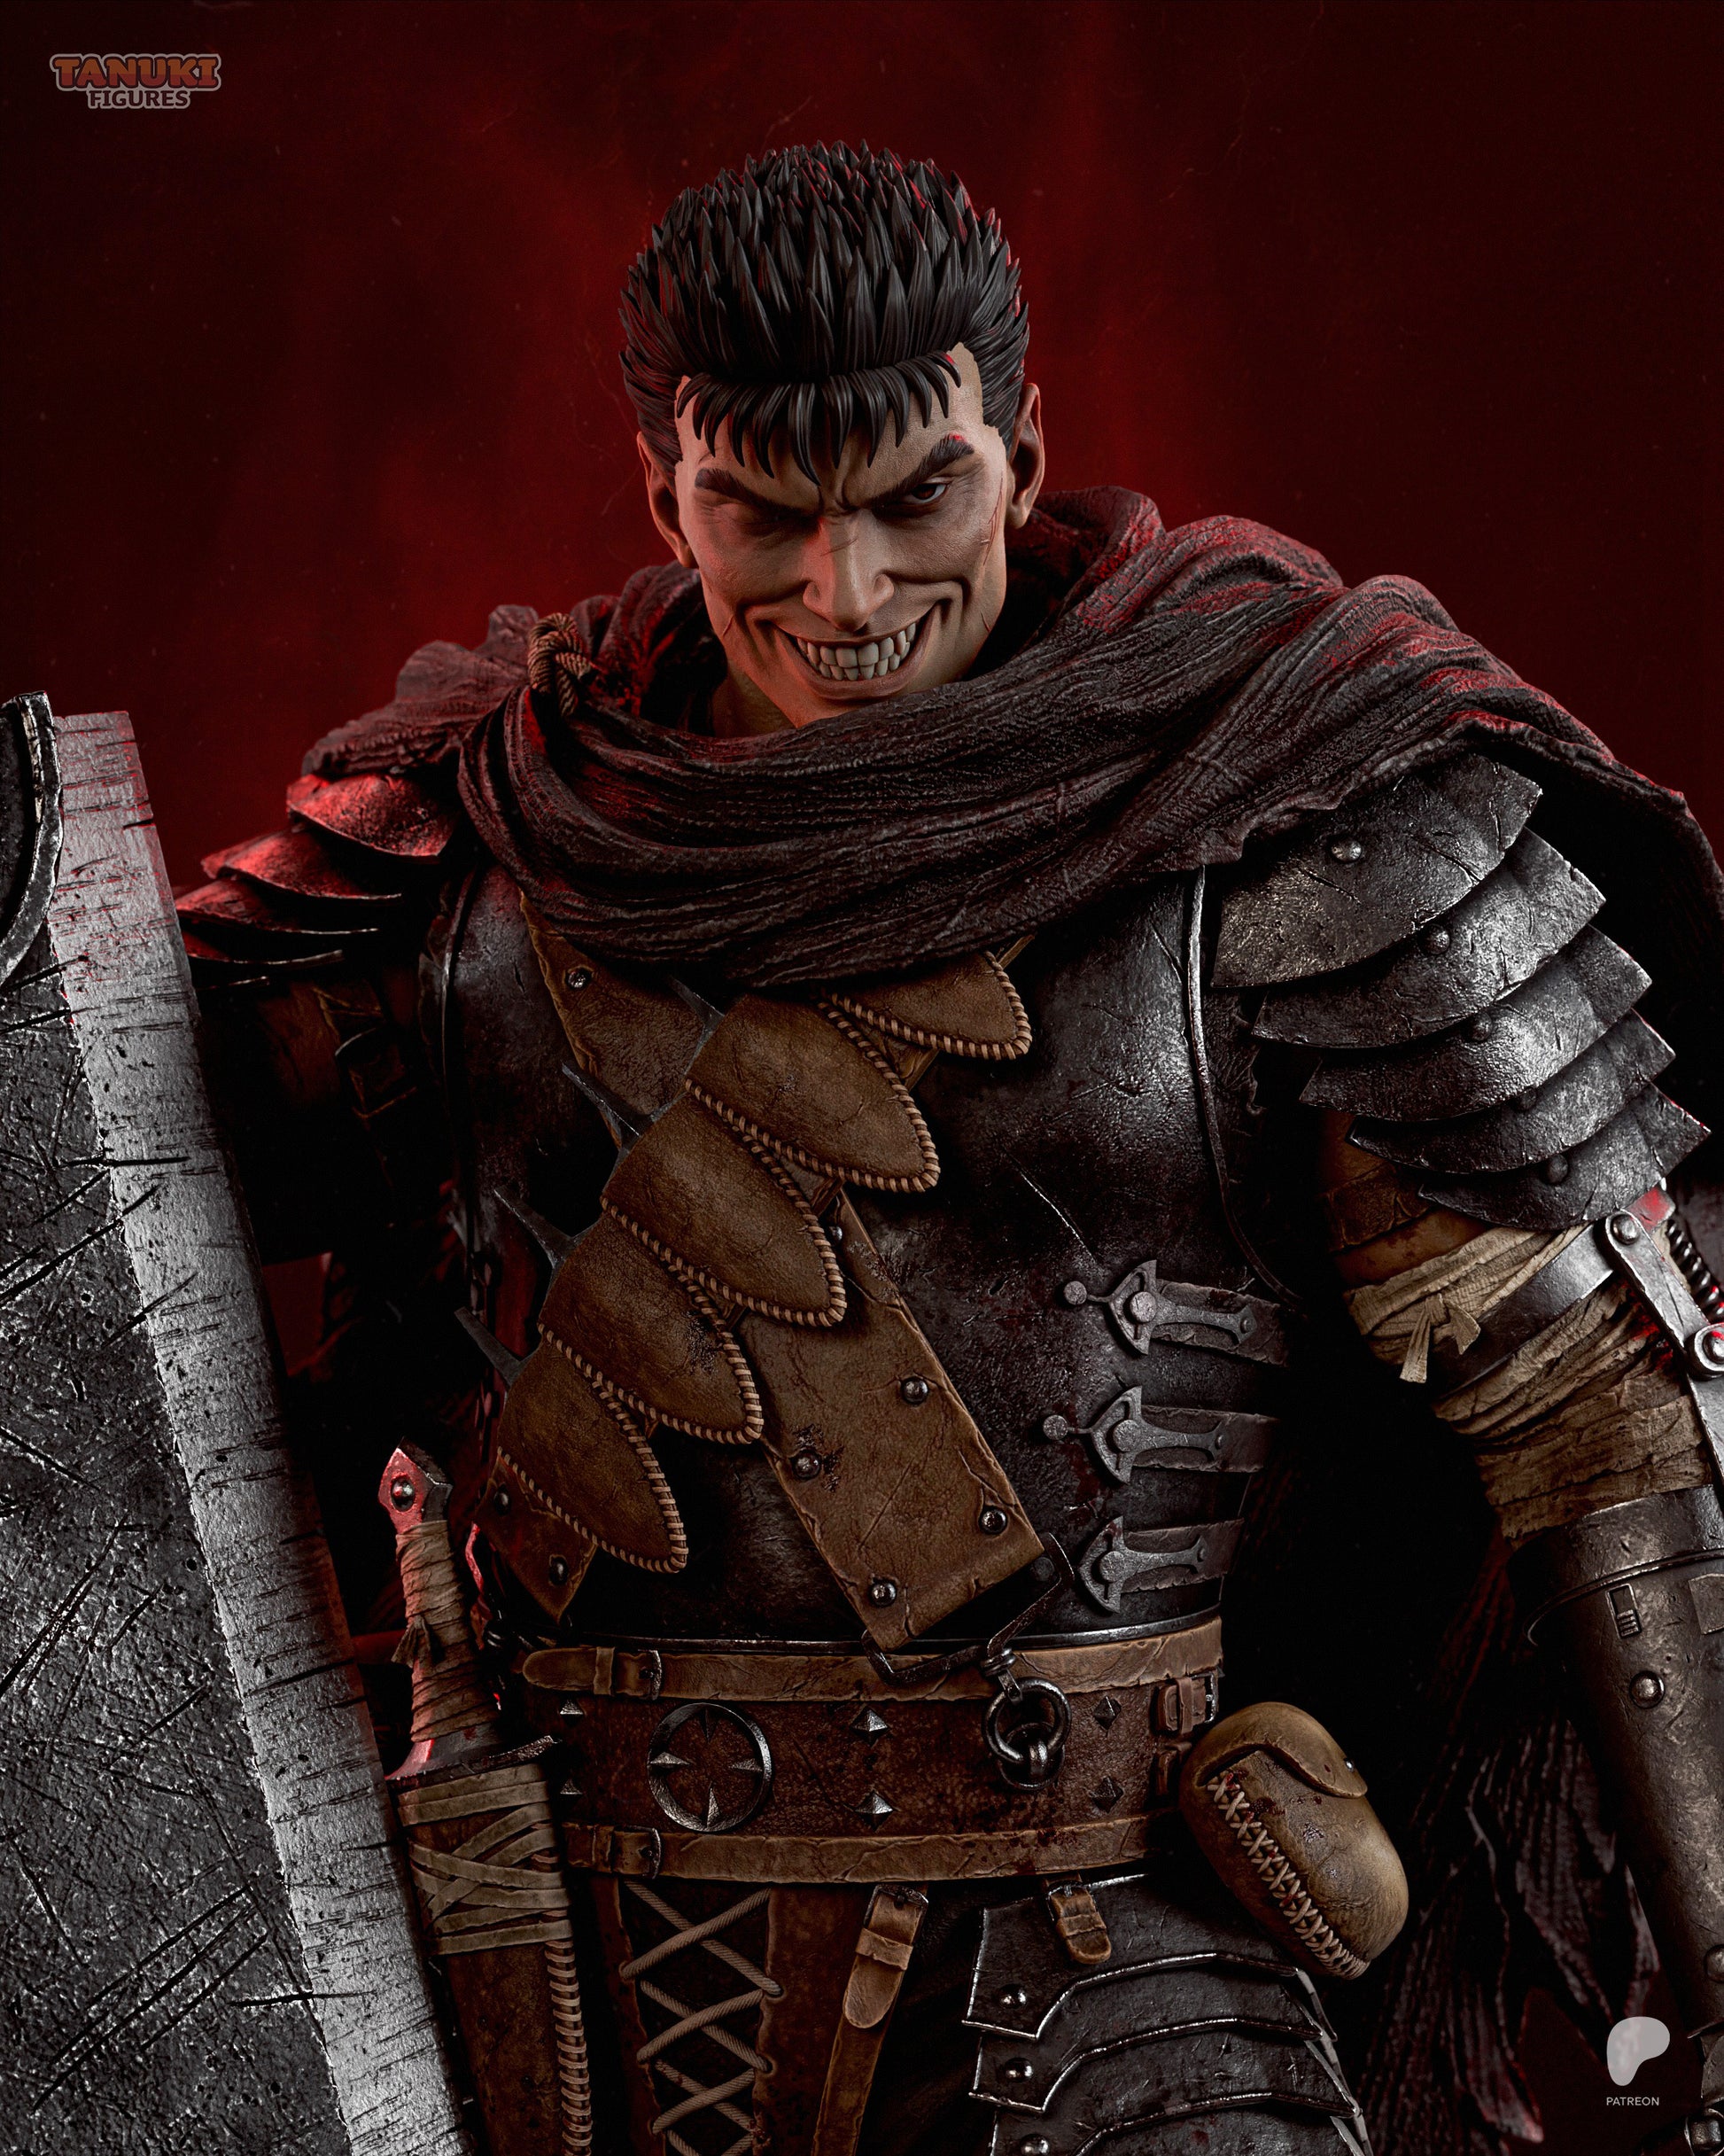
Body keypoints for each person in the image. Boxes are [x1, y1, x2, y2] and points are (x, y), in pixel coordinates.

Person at [180, 144, 1724, 2156]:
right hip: (547, 1995)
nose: (847, 595)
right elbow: (104, 1250)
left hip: (1102, 1987)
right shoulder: (470, 850)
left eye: (919, 497)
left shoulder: (1285, 818)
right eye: (766, 513)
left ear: (1022, 450)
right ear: (663, 493)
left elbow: (1608, 1432)